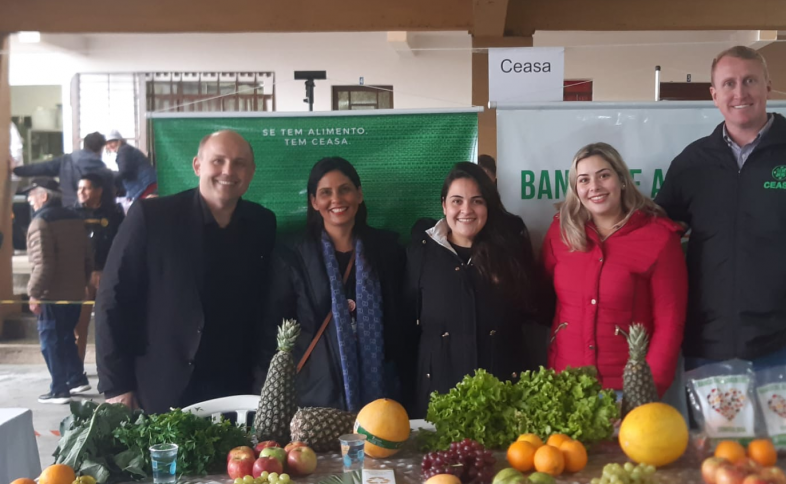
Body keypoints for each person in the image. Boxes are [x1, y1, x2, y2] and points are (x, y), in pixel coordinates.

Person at [654, 46, 786, 374]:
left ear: (768, 87)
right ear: (714, 95)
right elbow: (654, 238)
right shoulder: (691, 164)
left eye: (750, 80)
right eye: (728, 84)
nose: (740, 92)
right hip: (708, 348)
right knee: (709, 431)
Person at [95, 130, 276, 413]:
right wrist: (116, 385)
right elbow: (111, 300)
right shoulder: (151, 217)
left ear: (251, 172)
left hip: (236, 390)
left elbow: (264, 307)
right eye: (218, 161)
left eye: (240, 163)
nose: (228, 171)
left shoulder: (262, 223)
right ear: (197, 165)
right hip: (160, 389)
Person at [403, 162, 549, 418]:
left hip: (505, 396)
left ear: (489, 206)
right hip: (440, 395)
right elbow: (406, 323)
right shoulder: (421, 252)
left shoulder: (511, 251)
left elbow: (534, 310)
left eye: (477, 201)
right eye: (457, 201)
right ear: (444, 205)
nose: (466, 210)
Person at [542, 143, 687, 398]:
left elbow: (670, 323)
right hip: (565, 384)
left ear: (621, 180)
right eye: (584, 180)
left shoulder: (659, 237)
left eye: (603, 175)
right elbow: (543, 297)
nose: (594, 187)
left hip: (627, 390)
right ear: (576, 189)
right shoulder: (559, 234)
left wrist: (647, 390)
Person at [260, 157, 405, 411]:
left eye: (345, 189)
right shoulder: (292, 255)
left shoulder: (387, 250)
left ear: (359, 195)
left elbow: (398, 323)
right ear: (314, 202)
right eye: (326, 193)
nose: (336, 199)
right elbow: (274, 327)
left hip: (380, 392)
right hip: (315, 394)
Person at [24, 178, 93, 404]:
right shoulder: (75, 218)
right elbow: (87, 257)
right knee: (65, 338)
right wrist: (83, 283)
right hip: (75, 292)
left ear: (44, 197)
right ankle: (76, 378)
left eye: (32, 194)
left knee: (50, 341)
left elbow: (43, 263)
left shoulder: (40, 223)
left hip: (50, 295)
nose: (29, 199)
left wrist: (34, 292)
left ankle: (59, 389)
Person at [72, 173, 125, 365]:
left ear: (99, 191)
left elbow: (120, 245)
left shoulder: (115, 214)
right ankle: (76, 371)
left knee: (109, 325)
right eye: (79, 189)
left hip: (108, 276)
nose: (81, 193)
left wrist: (105, 270)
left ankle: (113, 368)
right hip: (81, 277)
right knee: (79, 326)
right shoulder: (73, 214)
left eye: (86, 188)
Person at [14, 132, 114, 207]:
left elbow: (40, 168)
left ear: (84, 145)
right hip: (96, 213)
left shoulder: (66, 160)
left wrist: (15, 170)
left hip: (70, 210)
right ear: (101, 149)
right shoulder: (103, 170)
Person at [105, 130, 158, 205]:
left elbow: (125, 172)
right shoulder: (126, 149)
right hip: (148, 184)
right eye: (107, 144)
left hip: (144, 186)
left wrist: (109, 175)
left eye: (111, 142)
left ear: (119, 141)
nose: (109, 146)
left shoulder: (124, 151)